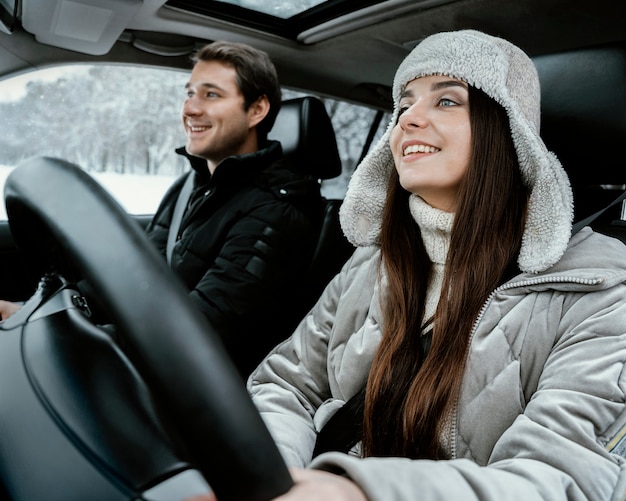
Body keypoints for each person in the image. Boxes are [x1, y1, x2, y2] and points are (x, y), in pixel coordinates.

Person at [193, 30, 626, 500]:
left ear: (507, 130)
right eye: (405, 104)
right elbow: (288, 384)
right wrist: (270, 474)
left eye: (446, 101)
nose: (409, 120)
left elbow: (564, 478)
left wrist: (356, 493)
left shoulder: (600, 292)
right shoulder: (369, 262)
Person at [1, 41, 323, 378]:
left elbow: (201, 333)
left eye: (211, 95)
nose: (191, 109)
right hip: (152, 363)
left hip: (200, 394)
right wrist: (35, 316)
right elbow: (133, 278)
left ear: (256, 111)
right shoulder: (191, 186)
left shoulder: (278, 211)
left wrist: (62, 339)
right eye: (190, 94)